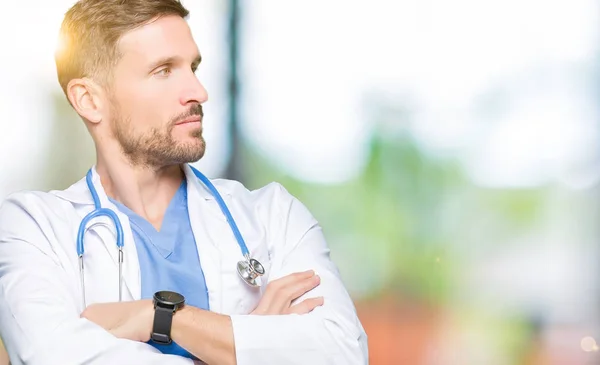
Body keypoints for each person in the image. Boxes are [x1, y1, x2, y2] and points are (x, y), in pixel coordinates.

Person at [0, 0, 368, 364]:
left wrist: (162, 318)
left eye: (192, 67)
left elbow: (343, 352)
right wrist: (243, 343)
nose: (198, 92)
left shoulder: (273, 217)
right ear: (89, 100)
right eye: (163, 70)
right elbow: (51, 357)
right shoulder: (33, 228)